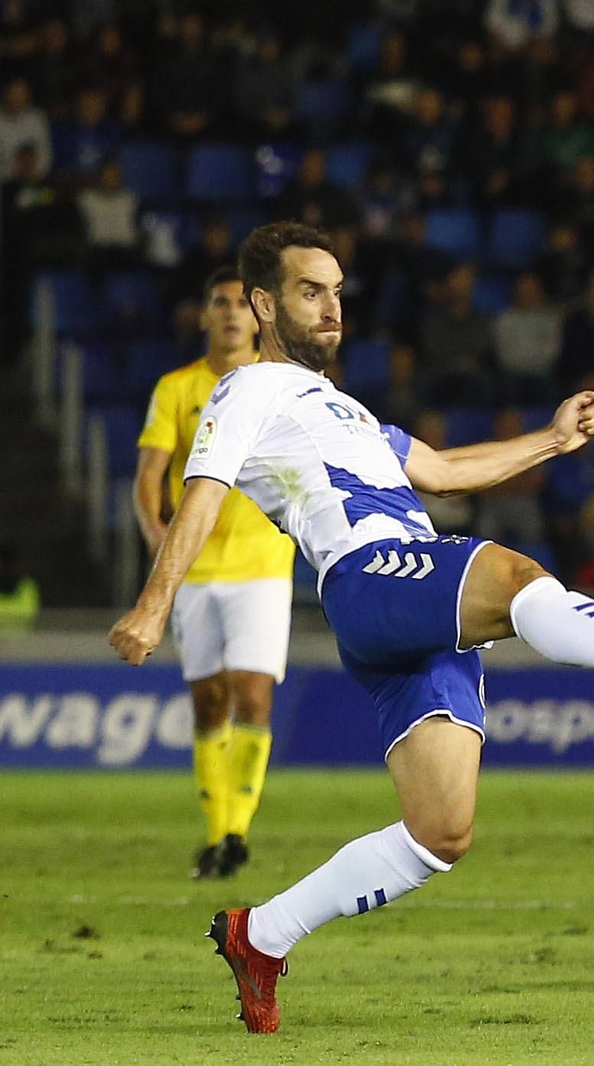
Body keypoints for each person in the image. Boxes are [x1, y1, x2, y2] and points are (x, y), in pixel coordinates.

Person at [109, 222, 594, 1034]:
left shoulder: (341, 408)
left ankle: (261, 935)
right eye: (311, 291)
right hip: (370, 577)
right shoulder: (245, 389)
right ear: (262, 304)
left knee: (441, 832)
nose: (332, 307)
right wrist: (153, 603)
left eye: (338, 291)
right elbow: (202, 490)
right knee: (516, 573)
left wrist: (553, 440)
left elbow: (447, 470)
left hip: (413, 609)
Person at [132, 267, 294, 880]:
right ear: (204, 316)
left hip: (261, 566)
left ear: (258, 318)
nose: (230, 314)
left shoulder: (280, 387)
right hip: (196, 568)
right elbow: (150, 475)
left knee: (253, 692)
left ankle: (234, 833)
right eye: (218, 302)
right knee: (208, 701)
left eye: (239, 305)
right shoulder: (176, 388)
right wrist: (156, 534)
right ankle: (218, 829)